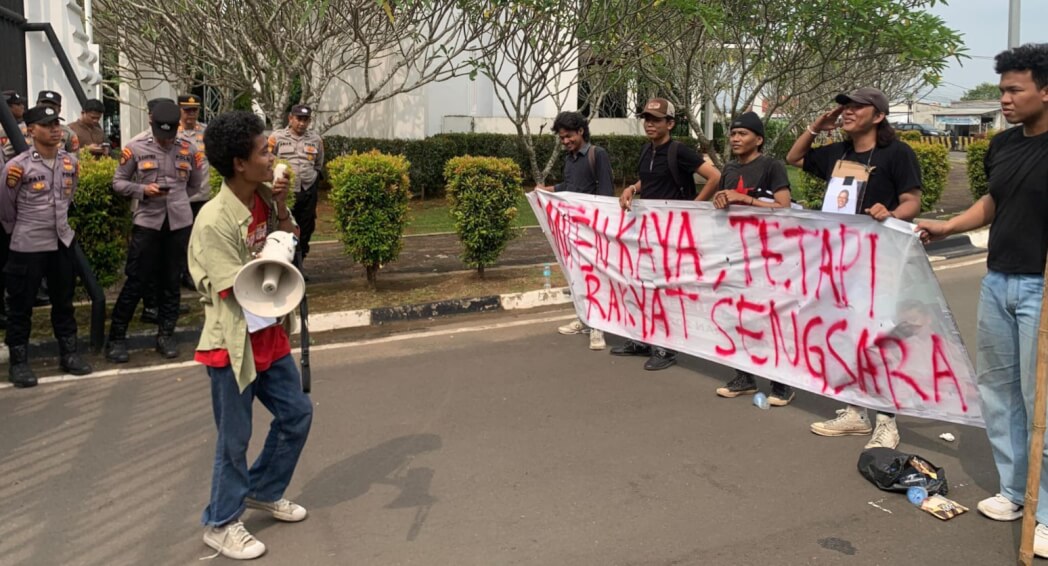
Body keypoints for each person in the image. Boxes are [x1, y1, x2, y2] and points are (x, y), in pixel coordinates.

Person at [916, 43, 1048, 556]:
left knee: (1042, 400)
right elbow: (995, 200)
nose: (1005, 99)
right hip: (998, 281)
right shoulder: (1004, 145)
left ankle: (1045, 506)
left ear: (1045, 89)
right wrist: (948, 223)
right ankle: (1016, 490)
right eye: (1002, 90)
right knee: (998, 390)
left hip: (1042, 286)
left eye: (1015, 89)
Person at [189, 110, 312, 560]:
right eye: (264, 150)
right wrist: (272, 255)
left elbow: (290, 232)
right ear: (239, 163)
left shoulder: (263, 196)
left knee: (297, 413)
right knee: (234, 439)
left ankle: (262, 489)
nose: (272, 155)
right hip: (233, 343)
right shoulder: (213, 220)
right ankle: (220, 522)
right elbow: (233, 289)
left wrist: (280, 207)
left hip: (270, 336)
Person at [787, 86, 922, 449]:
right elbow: (795, 157)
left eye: (856, 107)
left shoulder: (897, 153)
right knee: (848, 336)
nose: (846, 111)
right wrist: (818, 125)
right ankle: (856, 411)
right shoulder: (839, 152)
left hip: (881, 263)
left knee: (878, 339)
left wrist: (890, 214)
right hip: (840, 261)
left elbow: (912, 201)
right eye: (843, 107)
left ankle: (887, 420)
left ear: (878, 116)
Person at [616, 97, 721, 370]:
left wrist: (693, 209)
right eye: (647, 119)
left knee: (664, 291)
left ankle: (666, 348)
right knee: (642, 285)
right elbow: (650, 179)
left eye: (656, 120)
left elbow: (714, 176)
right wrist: (633, 188)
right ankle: (642, 339)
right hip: (647, 232)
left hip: (672, 235)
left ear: (670, 123)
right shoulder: (646, 151)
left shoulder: (680, 151)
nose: (650, 124)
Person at [701, 111, 795, 406]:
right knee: (736, 316)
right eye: (732, 134)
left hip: (767, 259)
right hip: (735, 256)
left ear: (759, 139)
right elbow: (722, 203)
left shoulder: (771, 166)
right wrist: (721, 201)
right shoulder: (728, 169)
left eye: (742, 134)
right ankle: (744, 376)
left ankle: (782, 384)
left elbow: (784, 208)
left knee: (768, 320)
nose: (735, 139)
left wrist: (747, 200)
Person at [106, 100, 207, 363]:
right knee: (136, 280)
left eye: (170, 134)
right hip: (147, 223)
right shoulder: (135, 147)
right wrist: (142, 191)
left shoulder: (189, 149)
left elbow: (196, 185)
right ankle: (117, 337)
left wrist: (177, 200)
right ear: (151, 124)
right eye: (161, 134)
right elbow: (118, 182)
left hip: (178, 224)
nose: (165, 140)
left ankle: (166, 335)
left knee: (171, 281)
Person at [0, 105, 93, 387]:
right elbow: (6, 209)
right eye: (47, 124)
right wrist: (23, 231)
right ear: (31, 130)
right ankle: (19, 362)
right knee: (21, 306)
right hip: (27, 244)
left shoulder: (70, 163)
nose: (55, 129)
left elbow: (69, 196)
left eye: (56, 123)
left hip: (61, 242)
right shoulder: (17, 166)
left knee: (64, 302)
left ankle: (69, 354)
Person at [537, 111, 614, 351]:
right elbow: (570, 187)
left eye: (568, 136)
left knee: (595, 279)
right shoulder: (570, 158)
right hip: (573, 228)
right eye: (561, 138)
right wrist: (548, 189)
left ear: (581, 131)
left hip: (594, 229)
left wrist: (600, 228)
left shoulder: (596, 154)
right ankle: (584, 319)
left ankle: (598, 327)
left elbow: (606, 194)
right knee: (578, 277)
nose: (565, 141)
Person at [268, 104, 324, 272]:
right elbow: (269, 160)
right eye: (299, 119)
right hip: (286, 193)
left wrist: (312, 180)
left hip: (307, 190)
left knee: (305, 229)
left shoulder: (316, 140)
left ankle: (299, 265)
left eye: (305, 120)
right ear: (290, 118)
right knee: (284, 229)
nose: (301, 123)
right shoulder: (276, 137)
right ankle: (285, 264)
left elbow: (319, 164)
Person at [178, 94, 210, 216]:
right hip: (180, 198)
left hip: (202, 197)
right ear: (179, 110)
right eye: (187, 110)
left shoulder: (207, 132)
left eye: (194, 110)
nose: (191, 113)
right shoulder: (172, 133)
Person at [1, 90, 27, 160]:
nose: (22, 106)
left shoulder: (27, 126)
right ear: (7, 107)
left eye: (22, 103)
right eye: (18, 104)